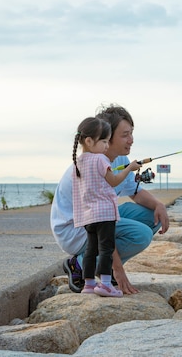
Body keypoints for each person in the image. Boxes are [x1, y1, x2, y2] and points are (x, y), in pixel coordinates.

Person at [51, 103, 170, 294]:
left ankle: (99, 268)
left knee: (152, 216)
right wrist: (118, 268)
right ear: (106, 136)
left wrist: (159, 204)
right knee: (141, 234)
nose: (131, 140)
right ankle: (81, 265)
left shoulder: (120, 159)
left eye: (131, 133)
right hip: (75, 230)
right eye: (125, 135)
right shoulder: (91, 166)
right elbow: (100, 223)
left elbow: (135, 191)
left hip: (100, 216)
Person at [72, 117, 141, 297]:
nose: (106, 146)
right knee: (106, 250)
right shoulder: (101, 159)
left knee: (90, 250)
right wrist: (129, 168)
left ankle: (88, 284)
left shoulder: (78, 162)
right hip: (104, 215)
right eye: (103, 141)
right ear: (89, 141)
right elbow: (113, 181)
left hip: (88, 216)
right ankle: (105, 284)